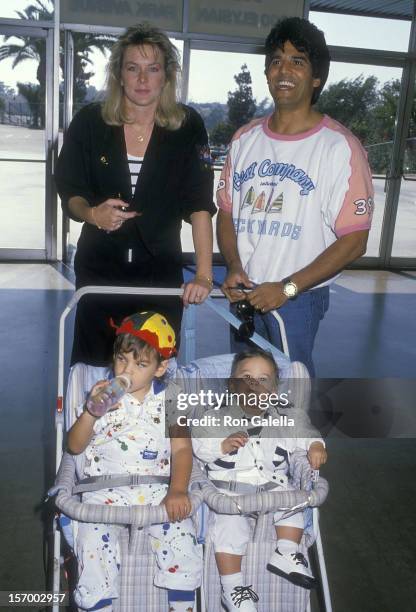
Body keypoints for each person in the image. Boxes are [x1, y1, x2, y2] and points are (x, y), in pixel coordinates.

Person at [217, 16, 374, 376]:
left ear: (316, 78)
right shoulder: (244, 139)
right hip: (244, 292)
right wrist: (235, 267)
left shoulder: (339, 148)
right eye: (276, 60)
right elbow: (225, 212)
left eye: (297, 61)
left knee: (291, 391)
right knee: (244, 383)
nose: (283, 69)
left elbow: (355, 240)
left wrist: (287, 288)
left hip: (298, 298)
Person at [55, 23, 215, 366]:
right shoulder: (90, 123)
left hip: (159, 274)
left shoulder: (188, 127)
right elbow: (70, 189)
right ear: (119, 75)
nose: (143, 79)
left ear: (167, 76)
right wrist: (92, 214)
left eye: (152, 69)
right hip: (100, 273)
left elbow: (200, 204)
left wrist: (203, 274)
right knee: (97, 372)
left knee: (153, 373)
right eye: (133, 68)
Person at [67, 311, 201, 612]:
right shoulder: (100, 396)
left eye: (140, 364)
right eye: (122, 360)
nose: (127, 371)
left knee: (182, 537)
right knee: (92, 543)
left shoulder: (172, 400)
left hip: (156, 489)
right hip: (105, 490)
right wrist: (91, 413)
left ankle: (182, 606)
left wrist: (178, 490)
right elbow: (74, 447)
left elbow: (181, 450)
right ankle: (98, 605)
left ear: (160, 368)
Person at [192, 348, 327, 611]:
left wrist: (315, 445)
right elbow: (198, 445)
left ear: (274, 391)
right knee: (230, 529)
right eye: (246, 377)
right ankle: (232, 587)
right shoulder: (215, 415)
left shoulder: (284, 417)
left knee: (294, 505)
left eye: (263, 379)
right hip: (231, 492)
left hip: (272, 485)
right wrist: (221, 445)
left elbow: (305, 431)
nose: (254, 384)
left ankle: (286, 551)